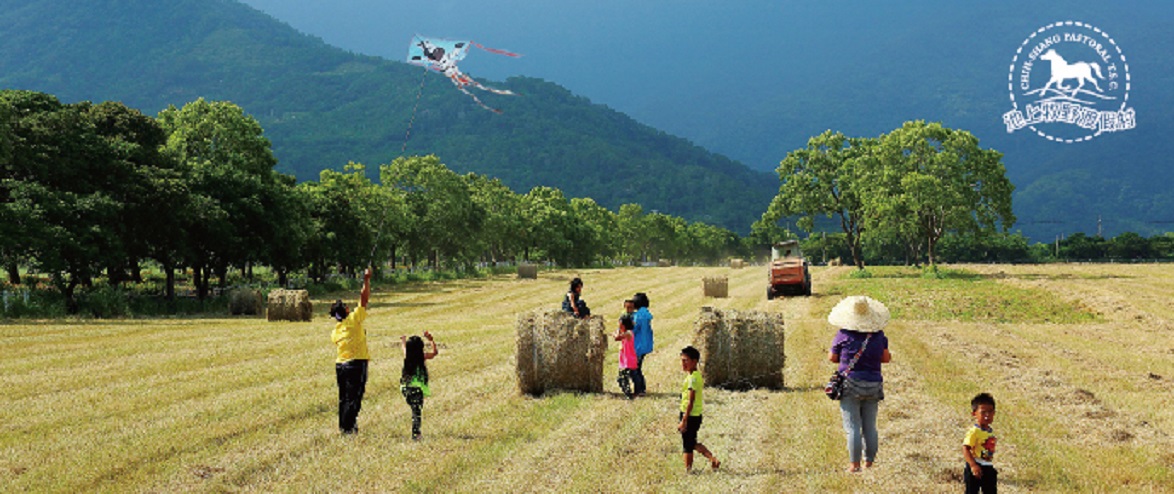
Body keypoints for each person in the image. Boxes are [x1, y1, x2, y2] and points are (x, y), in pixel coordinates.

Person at [827, 295, 891, 472]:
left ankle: (854, 465)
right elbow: (886, 358)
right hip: (873, 384)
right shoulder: (879, 336)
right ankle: (869, 462)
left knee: (853, 426)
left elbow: (832, 358)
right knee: (870, 425)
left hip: (850, 383)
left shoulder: (843, 334)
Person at [330, 267, 372, 435]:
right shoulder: (354, 321)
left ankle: (345, 425)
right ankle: (348, 429)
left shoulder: (336, 331)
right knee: (355, 397)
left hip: (340, 366)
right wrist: (367, 279)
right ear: (346, 311)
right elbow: (364, 299)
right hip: (356, 364)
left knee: (343, 398)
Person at [677, 346, 720, 473]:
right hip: (693, 414)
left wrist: (684, 420)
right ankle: (712, 459)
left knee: (687, 445)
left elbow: (691, 401)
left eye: (686, 360)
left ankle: (688, 471)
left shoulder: (693, 378)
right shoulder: (694, 375)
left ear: (694, 361)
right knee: (691, 442)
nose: (683, 363)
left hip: (690, 415)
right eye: (682, 360)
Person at [400, 331, 439, 441]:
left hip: (405, 388)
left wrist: (403, 340)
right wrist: (431, 340)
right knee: (416, 412)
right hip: (417, 389)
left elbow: (404, 348)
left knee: (413, 409)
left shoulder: (407, 356)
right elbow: (435, 353)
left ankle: (416, 433)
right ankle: (416, 434)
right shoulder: (422, 356)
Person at [962, 393, 998, 493]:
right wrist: (973, 465)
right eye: (983, 412)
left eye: (990, 412)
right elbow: (965, 448)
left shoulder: (990, 431)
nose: (987, 415)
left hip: (987, 465)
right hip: (976, 466)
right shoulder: (974, 432)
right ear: (974, 414)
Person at [630, 292, 654, 396]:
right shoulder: (646, 314)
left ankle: (639, 390)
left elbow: (634, 329)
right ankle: (642, 389)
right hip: (646, 345)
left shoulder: (638, 316)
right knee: (638, 368)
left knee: (633, 369)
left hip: (638, 346)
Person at [614, 312, 638, 399]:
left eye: (621, 325)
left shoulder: (628, 333)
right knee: (625, 378)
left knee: (622, 378)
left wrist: (616, 332)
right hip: (625, 361)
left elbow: (617, 338)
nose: (620, 327)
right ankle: (631, 393)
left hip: (628, 361)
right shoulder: (627, 332)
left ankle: (629, 394)